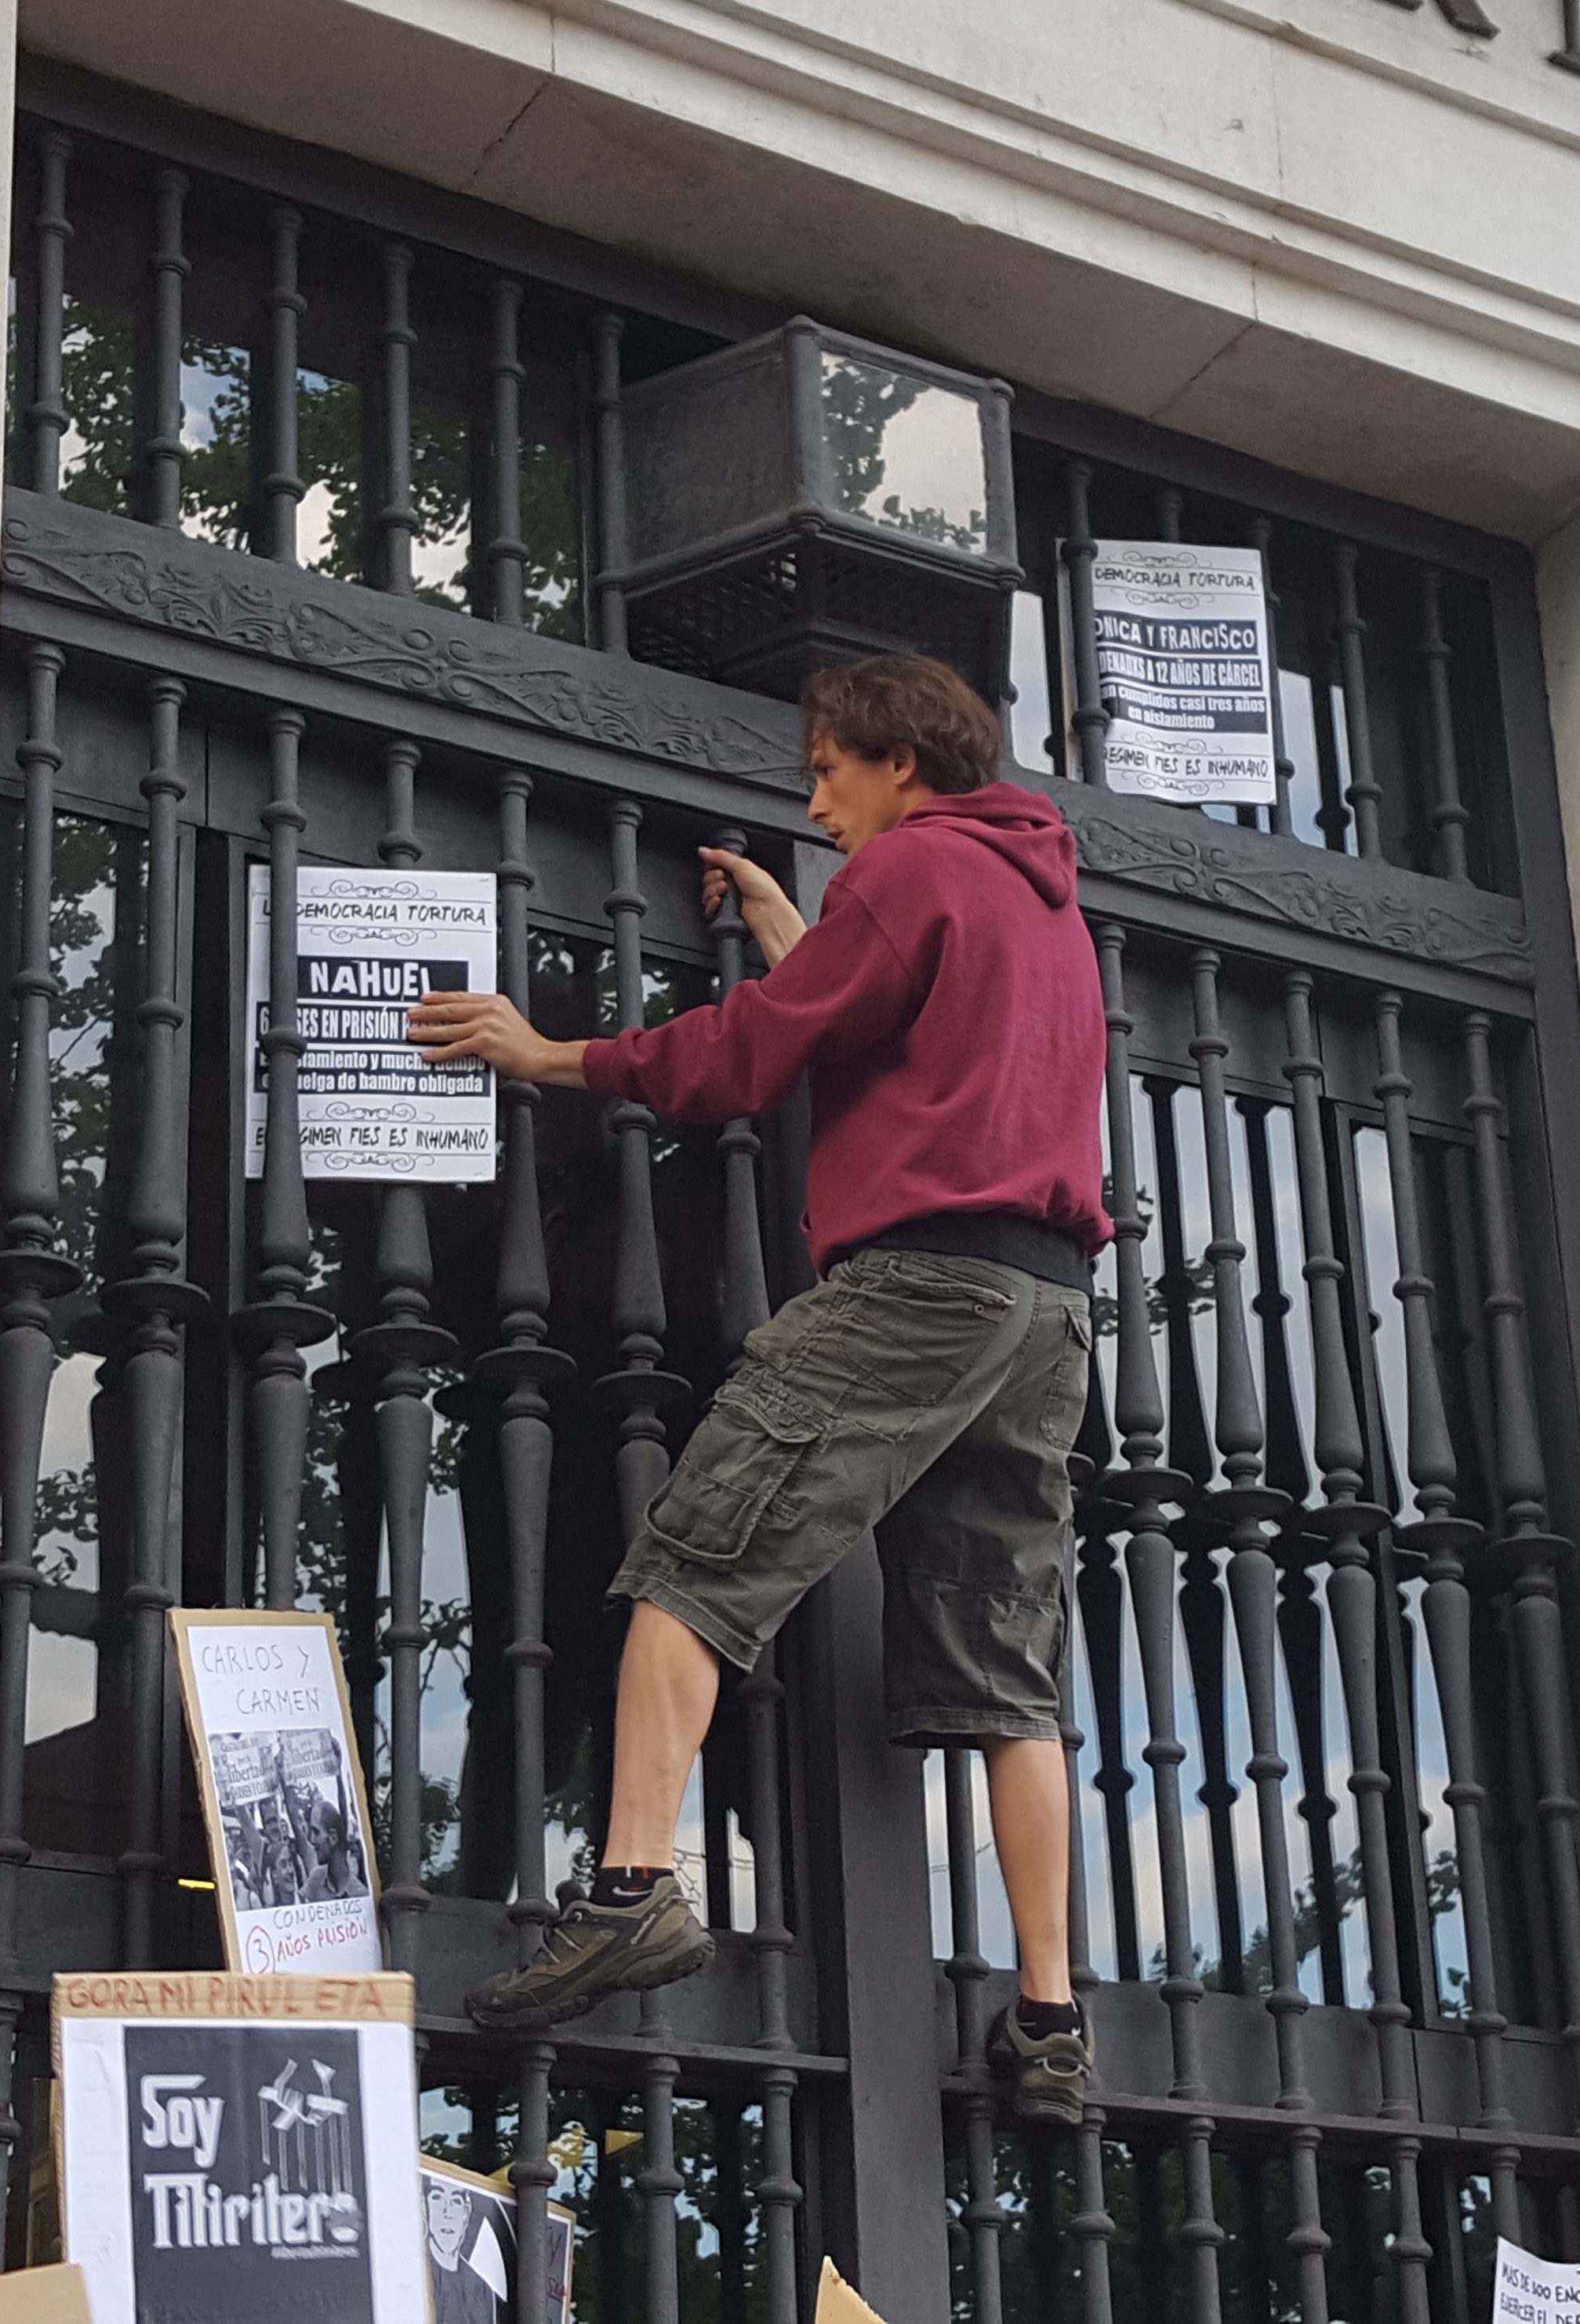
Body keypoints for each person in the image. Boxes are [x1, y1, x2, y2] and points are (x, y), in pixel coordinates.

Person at [407, 651, 1110, 2123]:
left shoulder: (915, 871)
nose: (816, 800)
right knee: (1004, 1670)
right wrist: (806, 930)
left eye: (827, 773)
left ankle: (631, 1887)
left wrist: (558, 1054)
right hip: (1046, 1307)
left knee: (696, 1554)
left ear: (898, 764)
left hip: (921, 1281)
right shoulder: (1041, 902)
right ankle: (1050, 2021)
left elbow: (755, 1056)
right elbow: (891, 1030)